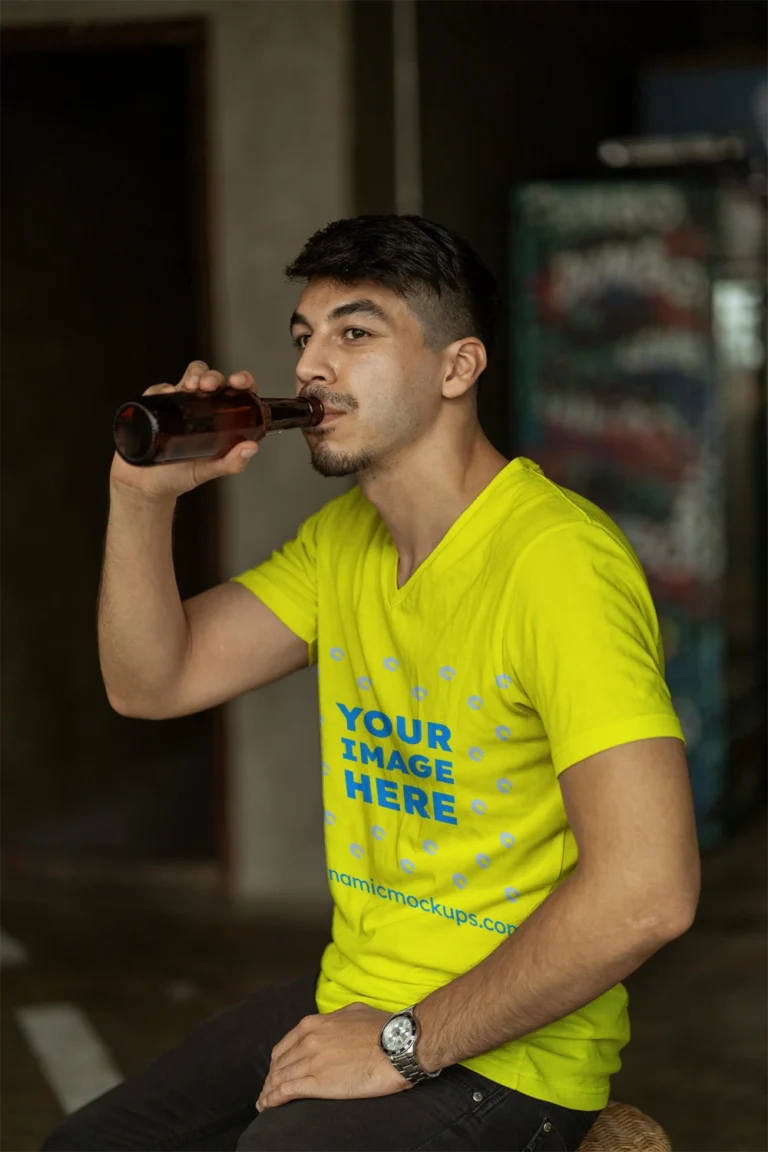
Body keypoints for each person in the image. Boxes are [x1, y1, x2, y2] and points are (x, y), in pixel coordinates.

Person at [48, 215, 700, 1152]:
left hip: (507, 1060)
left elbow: (649, 891)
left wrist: (405, 1045)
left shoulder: (557, 567)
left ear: (457, 368)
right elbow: (153, 682)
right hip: (353, 992)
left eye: (355, 333)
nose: (313, 366)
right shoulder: (342, 544)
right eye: (304, 338)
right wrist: (140, 499)